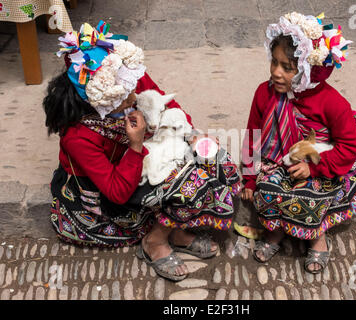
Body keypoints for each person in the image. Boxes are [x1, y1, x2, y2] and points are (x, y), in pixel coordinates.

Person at [44, 21, 241, 281]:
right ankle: (156, 241)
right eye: (123, 98)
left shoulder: (126, 77)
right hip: (112, 192)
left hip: (151, 158)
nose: (132, 98)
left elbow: (163, 101)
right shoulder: (78, 136)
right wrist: (135, 145)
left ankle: (176, 229)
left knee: (217, 159)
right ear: (99, 103)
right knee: (192, 186)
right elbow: (117, 191)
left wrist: (190, 133)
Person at [241, 12, 356, 274]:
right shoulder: (264, 92)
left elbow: (349, 146)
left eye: (287, 67)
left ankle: (317, 237)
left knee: (309, 194)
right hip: (280, 161)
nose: (276, 73)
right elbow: (253, 136)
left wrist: (312, 168)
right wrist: (249, 178)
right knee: (267, 187)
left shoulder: (332, 103)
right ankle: (277, 231)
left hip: (320, 163)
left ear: (308, 70)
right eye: (275, 62)